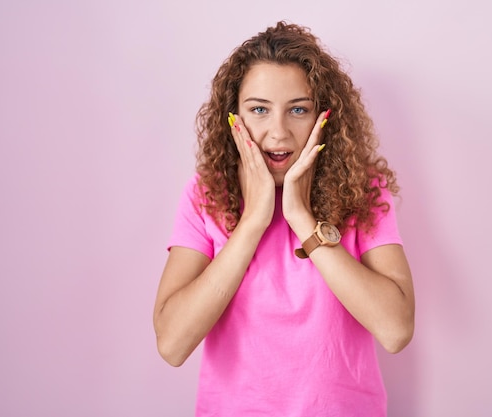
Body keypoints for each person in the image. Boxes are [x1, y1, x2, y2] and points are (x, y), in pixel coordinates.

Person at [153, 21, 415, 417]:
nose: (278, 132)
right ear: (233, 119)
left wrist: (301, 217)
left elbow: (395, 331)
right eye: (259, 109)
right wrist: (254, 221)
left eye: (298, 110)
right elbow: (172, 344)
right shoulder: (205, 195)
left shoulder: (364, 190)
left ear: (323, 117)